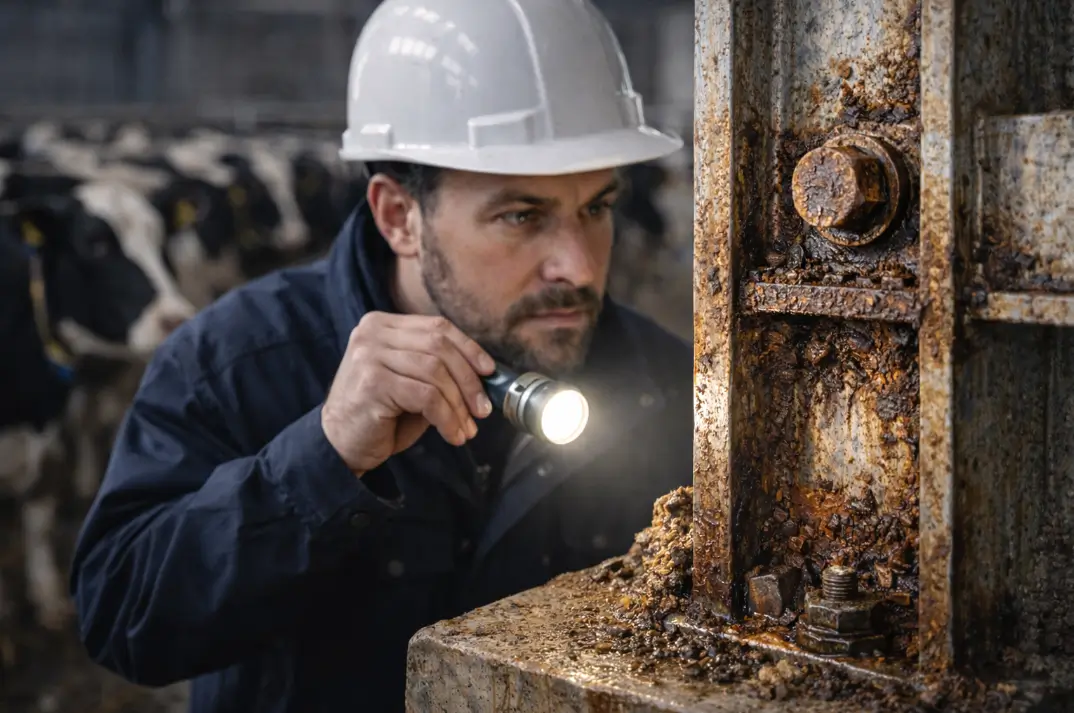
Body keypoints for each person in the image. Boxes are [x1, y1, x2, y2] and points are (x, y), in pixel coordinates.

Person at [69, 0, 693, 710]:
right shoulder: (238, 361)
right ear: (400, 216)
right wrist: (320, 460)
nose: (578, 267)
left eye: (596, 207)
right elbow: (121, 615)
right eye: (522, 216)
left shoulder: (663, 386)